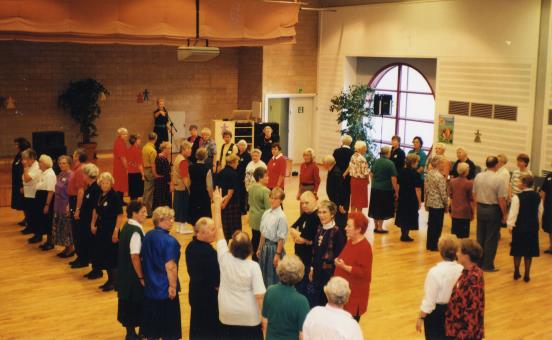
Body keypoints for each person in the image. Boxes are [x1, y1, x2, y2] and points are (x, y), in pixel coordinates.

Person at [213, 187, 266, 340]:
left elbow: (218, 228)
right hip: (249, 317)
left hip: (227, 314)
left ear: (231, 246)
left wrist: (217, 205)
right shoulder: (253, 267)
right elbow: (260, 297)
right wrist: (264, 318)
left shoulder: (224, 257)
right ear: (249, 248)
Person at [141, 206, 182, 340]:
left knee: (153, 330)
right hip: (165, 289)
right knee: (168, 331)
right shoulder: (170, 241)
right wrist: (173, 286)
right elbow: (171, 267)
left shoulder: (148, 235)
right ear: (160, 220)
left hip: (150, 287)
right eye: (170, 218)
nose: (172, 221)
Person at [416, 235, 463, 339]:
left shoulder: (435, 272)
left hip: (436, 314)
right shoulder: (462, 270)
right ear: (456, 252)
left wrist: (421, 317)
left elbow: (430, 300)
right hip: (455, 311)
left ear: (440, 252)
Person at [185, 217, 221, 340]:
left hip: (195, 293)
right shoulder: (209, 253)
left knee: (196, 325)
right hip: (208, 298)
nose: (215, 232)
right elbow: (216, 279)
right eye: (212, 229)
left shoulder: (190, 246)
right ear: (202, 233)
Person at [333, 212, 372, 321]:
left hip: (354, 295)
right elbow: (344, 257)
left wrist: (344, 266)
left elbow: (362, 272)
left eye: (349, 226)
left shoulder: (365, 248)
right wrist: (338, 260)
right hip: (345, 293)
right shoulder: (351, 241)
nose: (345, 228)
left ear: (358, 229)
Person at [117, 200, 147, 340]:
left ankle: (131, 332)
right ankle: (132, 334)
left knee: (127, 301)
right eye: (143, 212)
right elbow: (135, 256)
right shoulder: (135, 232)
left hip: (125, 272)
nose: (146, 215)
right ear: (134, 214)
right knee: (134, 301)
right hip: (133, 274)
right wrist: (141, 277)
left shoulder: (127, 225)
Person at [262, 255, 311, 340]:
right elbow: (302, 334)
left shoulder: (270, 290)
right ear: (299, 275)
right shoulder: (302, 301)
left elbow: (264, 321)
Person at [473, 156, 508, 272]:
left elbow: (474, 194)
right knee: (491, 238)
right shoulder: (499, 179)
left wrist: (476, 208)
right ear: (497, 165)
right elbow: (501, 199)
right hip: (493, 210)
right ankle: (487, 265)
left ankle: (478, 262)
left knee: (480, 237)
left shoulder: (478, 176)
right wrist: (504, 214)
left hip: (480, 208)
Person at [309, 200, 346, 307]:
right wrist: (312, 268)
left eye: (324, 212)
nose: (321, 215)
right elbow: (315, 251)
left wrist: (333, 278)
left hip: (329, 275)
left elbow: (339, 257)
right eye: (319, 212)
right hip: (317, 272)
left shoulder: (337, 232)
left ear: (332, 214)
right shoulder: (320, 228)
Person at [445, 239, 485, 340]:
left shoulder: (473, 277)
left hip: (464, 333)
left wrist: (464, 335)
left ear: (466, 256)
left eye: (458, 251)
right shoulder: (467, 272)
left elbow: (474, 309)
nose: (456, 254)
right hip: (457, 329)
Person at [90, 172, 123, 292]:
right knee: (104, 254)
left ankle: (114, 281)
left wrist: (116, 231)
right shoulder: (100, 195)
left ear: (111, 183)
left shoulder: (114, 196)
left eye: (107, 182)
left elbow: (119, 215)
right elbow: (96, 210)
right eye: (103, 183)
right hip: (102, 228)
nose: (105, 185)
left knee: (111, 255)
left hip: (111, 229)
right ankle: (109, 280)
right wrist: (93, 224)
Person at [508, 175, 541, 282]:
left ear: (524, 184)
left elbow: (513, 213)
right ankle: (527, 274)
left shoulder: (517, 197)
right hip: (532, 227)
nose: (517, 183)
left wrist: (510, 225)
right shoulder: (537, 196)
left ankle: (516, 272)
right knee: (529, 252)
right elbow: (540, 211)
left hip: (520, 227)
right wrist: (537, 223)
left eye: (519, 181)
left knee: (517, 250)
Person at [73, 164, 101, 276]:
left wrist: (93, 223)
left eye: (83, 174)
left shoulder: (95, 188)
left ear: (87, 175)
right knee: (87, 243)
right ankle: (90, 265)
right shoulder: (90, 187)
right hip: (86, 220)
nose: (82, 176)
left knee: (93, 245)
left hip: (91, 222)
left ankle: (97, 270)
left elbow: (95, 208)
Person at [290, 191, 319, 296]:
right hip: (299, 256)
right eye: (302, 203)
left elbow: (302, 239)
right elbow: (292, 228)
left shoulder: (315, 217)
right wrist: (302, 237)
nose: (304, 206)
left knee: (304, 285)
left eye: (306, 203)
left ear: (314, 201)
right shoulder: (305, 214)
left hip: (308, 258)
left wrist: (301, 237)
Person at [258, 188, 288, 287]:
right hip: (265, 247)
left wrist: (277, 254)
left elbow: (281, 238)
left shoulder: (281, 217)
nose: (272, 200)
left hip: (274, 249)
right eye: (271, 198)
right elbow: (263, 233)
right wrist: (259, 248)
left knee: (273, 275)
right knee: (263, 273)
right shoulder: (266, 213)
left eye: (276, 198)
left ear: (281, 200)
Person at [369, 146, 399, 234]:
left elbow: (371, 173)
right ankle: (380, 227)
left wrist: (374, 182)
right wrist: (396, 190)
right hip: (385, 189)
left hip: (375, 188)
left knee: (375, 207)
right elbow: (393, 178)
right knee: (382, 208)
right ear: (388, 153)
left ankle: (375, 226)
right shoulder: (390, 164)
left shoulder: (376, 161)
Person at [67, 149, 89, 266]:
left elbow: (81, 190)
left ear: (78, 156)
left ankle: (83, 259)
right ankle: (80, 256)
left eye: (74, 154)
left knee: (79, 231)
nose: (73, 155)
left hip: (77, 201)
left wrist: (78, 209)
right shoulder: (77, 169)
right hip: (73, 200)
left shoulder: (81, 170)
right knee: (76, 231)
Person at [395, 153, 422, 242]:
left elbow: (398, 184)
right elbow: (417, 189)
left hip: (403, 196)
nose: (418, 163)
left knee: (403, 214)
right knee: (409, 215)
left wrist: (398, 194)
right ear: (413, 162)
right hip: (411, 197)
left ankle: (403, 234)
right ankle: (406, 235)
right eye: (417, 162)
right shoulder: (415, 174)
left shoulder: (401, 171)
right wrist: (419, 201)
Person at [425, 156, 449, 251]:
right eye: (443, 163)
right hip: (438, 204)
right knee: (437, 226)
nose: (444, 165)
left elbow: (426, 189)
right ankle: (434, 246)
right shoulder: (440, 177)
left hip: (431, 202)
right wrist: (446, 205)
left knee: (431, 225)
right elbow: (443, 194)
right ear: (438, 164)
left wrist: (426, 202)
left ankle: (429, 245)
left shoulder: (429, 174)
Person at [52, 155, 74, 257]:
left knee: (67, 228)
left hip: (66, 204)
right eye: (60, 163)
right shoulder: (60, 174)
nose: (61, 165)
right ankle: (66, 248)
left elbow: (72, 193)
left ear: (69, 164)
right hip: (58, 205)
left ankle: (70, 249)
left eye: (64, 163)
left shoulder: (71, 175)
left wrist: (69, 205)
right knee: (61, 227)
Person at [248, 167, 271, 261]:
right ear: (260, 178)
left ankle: (253, 258)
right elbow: (269, 209)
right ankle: (259, 260)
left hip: (252, 217)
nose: (268, 178)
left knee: (255, 238)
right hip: (261, 219)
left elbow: (249, 202)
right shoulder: (265, 190)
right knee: (261, 241)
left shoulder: (251, 187)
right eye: (266, 176)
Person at [34, 155, 56, 248]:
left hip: (46, 199)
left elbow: (50, 191)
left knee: (48, 221)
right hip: (41, 198)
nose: (39, 163)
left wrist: (47, 204)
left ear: (45, 164)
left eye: (40, 162)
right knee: (44, 220)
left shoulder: (50, 174)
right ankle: (47, 241)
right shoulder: (43, 172)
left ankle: (51, 243)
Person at [219, 154, 242, 240]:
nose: (238, 164)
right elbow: (231, 191)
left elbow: (217, 188)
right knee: (235, 230)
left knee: (225, 229)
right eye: (237, 162)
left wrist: (221, 203)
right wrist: (225, 203)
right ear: (232, 163)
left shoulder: (221, 172)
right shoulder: (233, 174)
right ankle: (235, 248)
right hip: (232, 203)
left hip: (223, 202)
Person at [21, 149, 42, 242]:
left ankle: (38, 235)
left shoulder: (36, 167)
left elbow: (27, 179)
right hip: (28, 193)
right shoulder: (30, 165)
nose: (23, 161)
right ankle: (34, 233)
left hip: (34, 195)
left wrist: (25, 167)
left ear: (32, 158)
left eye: (25, 159)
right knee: (30, 215)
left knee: (35, 216)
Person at [449, 162, 475, 239]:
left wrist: (450, 209)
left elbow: (450, 196)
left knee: (455, 234)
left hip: (455, 210)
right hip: (465, 212)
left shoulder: (452, 181)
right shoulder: (469, 183)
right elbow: (471, 199)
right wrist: (473, 213)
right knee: (464, 235)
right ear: (467, 171)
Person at [189, 147, 214, 224]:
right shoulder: (207, 169)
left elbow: (189, 180)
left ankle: (195, 234)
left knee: (194, 215)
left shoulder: (191, 167)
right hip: (203, 193)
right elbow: (209, 185)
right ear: (206, 156)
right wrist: (211, 196)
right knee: (204, 215)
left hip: (193, 191)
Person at [322, 155, 347, 232]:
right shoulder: (331, 170)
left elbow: (341, 190)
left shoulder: (336, 173)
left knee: (339, 220)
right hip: (334, 200)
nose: (323, 165)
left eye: (324, 163)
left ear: (328, 164)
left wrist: (340, 204)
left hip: (338, 202)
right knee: (336, 218)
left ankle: (340, 235)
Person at [172, 141, 192, 233]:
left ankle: (179, 227)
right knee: (183, 207)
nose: (190, 151)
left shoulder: (177, 158)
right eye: (189, 149)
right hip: (182, 186)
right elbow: (185, 177)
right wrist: (189, 188)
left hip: (177, 186)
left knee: (178, 206)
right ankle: (182, 228)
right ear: (184, 149)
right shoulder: (183, 161)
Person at [11, 137, 31, 226]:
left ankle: (28, 219)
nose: (15, 146)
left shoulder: (25, 154)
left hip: (24, 183)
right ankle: (26, 218)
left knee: (25, 202)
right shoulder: (19, 154)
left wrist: (23, 185)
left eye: (16, 144)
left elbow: (24, 169)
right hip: (18, 182)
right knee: (22, 202)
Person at [333, 134, 354, 213]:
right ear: (350, 143)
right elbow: (351, 166)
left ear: (342, 141)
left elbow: (334, 163)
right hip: (347, 176)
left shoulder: (336, 151)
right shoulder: (352, 153)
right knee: (347, 193)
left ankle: (336, 210)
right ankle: (345, 210)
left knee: (337, 192)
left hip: (337, 175)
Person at [347, 141, 370, 212]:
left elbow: (350, 167)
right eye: (365, 147)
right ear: (361, 148)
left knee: (354, 200)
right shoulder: (362, 159)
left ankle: (352, 217)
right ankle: (358, 218)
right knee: (360, 202)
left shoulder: (353, 156)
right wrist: (368, 180)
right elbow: (365, 172)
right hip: (361, 182)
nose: (366, 149)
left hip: (353, 180)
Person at [141, 132, 157, 217]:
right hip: (150, 171)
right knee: (150, 192)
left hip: (145, 169)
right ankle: (149, 212)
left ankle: (143, 210)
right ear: (155, 139)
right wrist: (155, 174)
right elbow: (153, 164)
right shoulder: (152, 150)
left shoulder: (144, 148)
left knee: (146, 190)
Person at [152, 141, 171, 210]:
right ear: (164, 149)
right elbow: (165, 173)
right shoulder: (162, 159)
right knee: (163, 201)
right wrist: (169, 182)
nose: (170, 150)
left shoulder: (159, 157)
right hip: (163, 183)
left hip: (160, 181)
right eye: (168, 148)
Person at [408, 136, 427, 201]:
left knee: (417, 198)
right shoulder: (410, 152)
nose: (415, 143)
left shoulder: (423, 154)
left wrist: (412, 175)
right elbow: (407, 164)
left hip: (418, 177)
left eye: (417, 142)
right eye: (414, 142)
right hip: (409, 177)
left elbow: (421, 168)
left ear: (420, 144)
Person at [113, 127, 129, 204]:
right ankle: (118, 201)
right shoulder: (119, 143)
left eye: (126, 134)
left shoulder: (121, 142)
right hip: (120, 166)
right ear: (120, 134)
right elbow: (122, 157)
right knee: (119, 184)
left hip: (120, 166)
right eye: (124, 134)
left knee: (121, 183)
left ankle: (120, 200)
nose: (126, 135)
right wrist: (127, 167)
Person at [126, 134, 144, 201]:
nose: (140, 141)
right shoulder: (137, 150)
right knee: (136, 192)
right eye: (139, 139)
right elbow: (139, 164)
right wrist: (143, 174)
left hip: (130, 173)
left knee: (133, 193)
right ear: (135, 141)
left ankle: (133, 206)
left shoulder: (129, 149)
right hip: (137, 173)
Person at [237, 139, 252, 214]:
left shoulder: (248, 155)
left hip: (244, 176)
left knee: (244, 193)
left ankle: (244, 209)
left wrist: (246, 177)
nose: (241, 146)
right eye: (240, 145)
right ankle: (240, 208)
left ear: (246, 146)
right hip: (237, 176)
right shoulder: (237, 154)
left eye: (243, 145)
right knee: (239, 193)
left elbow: (248, 167)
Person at [541, 162, 552, 254]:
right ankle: (551, 246)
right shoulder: (549, 176)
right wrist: (543, 204)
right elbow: (543, 191)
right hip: (549, 206)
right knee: (549, 227)